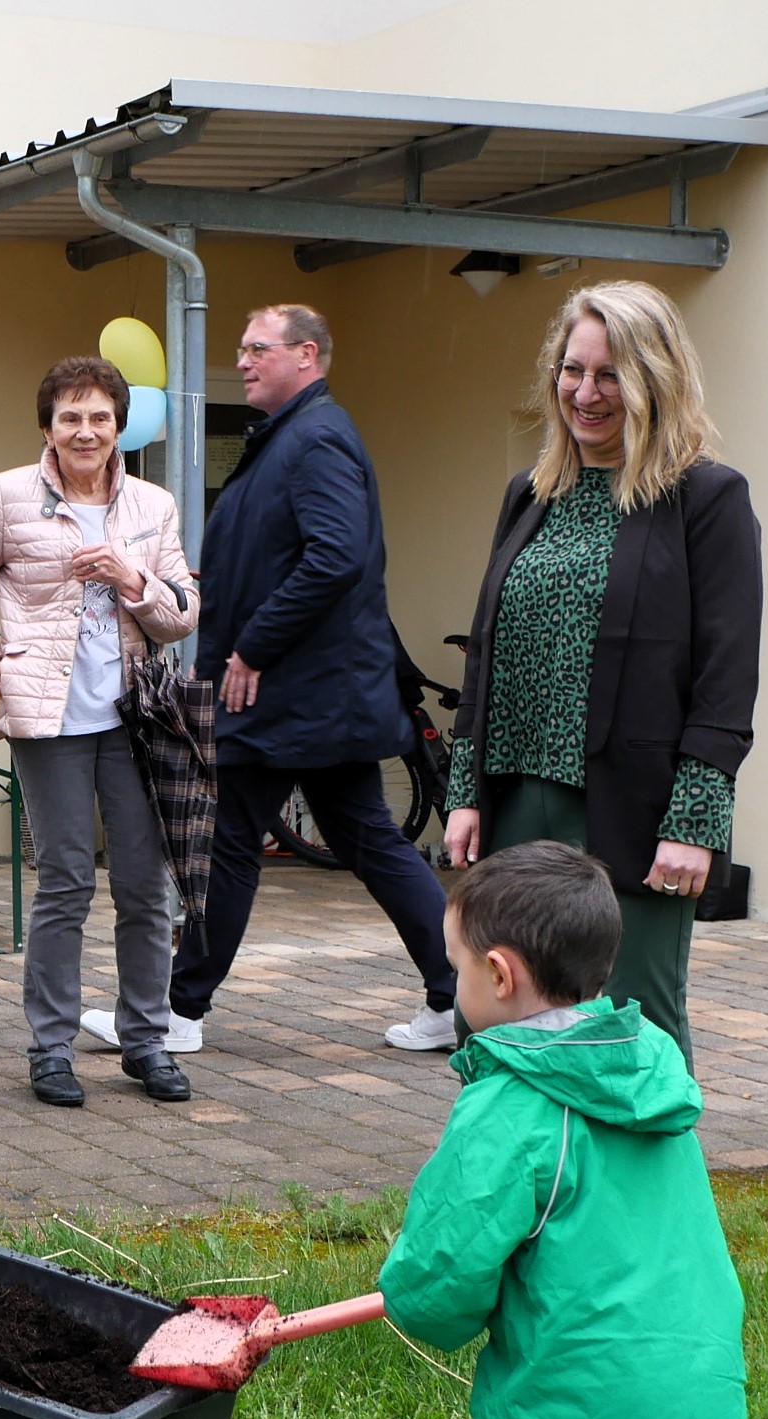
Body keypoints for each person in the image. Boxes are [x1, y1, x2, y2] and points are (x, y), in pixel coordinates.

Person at [357, 840, 752, 1419]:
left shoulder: (510, 1105)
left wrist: (428, 1300)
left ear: (499, 975)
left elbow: (438, 1284)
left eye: (455, 967)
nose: (454, 986)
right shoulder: (650, 1072)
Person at [441, 282, 762, 1069]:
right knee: (498, 1016)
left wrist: (695, 821)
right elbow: (487, 654)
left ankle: (651, 1157)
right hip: (516, 803)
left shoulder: (706, 498)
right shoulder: (529, 495)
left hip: (633, 812)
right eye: (573, 370)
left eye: (610, 375)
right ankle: (517, 1151)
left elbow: (727, 675)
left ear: (655, 379)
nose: (585, 393)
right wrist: (464, 791)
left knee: (631, 1023)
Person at [159, 304, 457, 1058]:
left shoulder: (316, 438)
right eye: (242, 347)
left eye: (257, 347)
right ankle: (455, 994)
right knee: (370, 840)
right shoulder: (290, 437)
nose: (243, 360)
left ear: (307, 355)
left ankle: (177, 1014)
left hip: (287, 695)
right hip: (315, 698)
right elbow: (294, 555)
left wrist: (252, 647)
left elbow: (335, 557)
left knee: (229, 842)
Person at [0, 354, 198, 1109]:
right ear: (47, 427)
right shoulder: (9, 494)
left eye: (100, 418)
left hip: (134, 718)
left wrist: (131, 579)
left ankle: (146, 1041)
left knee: (145, 886)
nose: (86, 431)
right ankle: (50, 1049)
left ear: (120, 428)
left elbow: (183, 611)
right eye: (70, 417)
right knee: (67, 881)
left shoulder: (153, 505)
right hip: (47, 720)